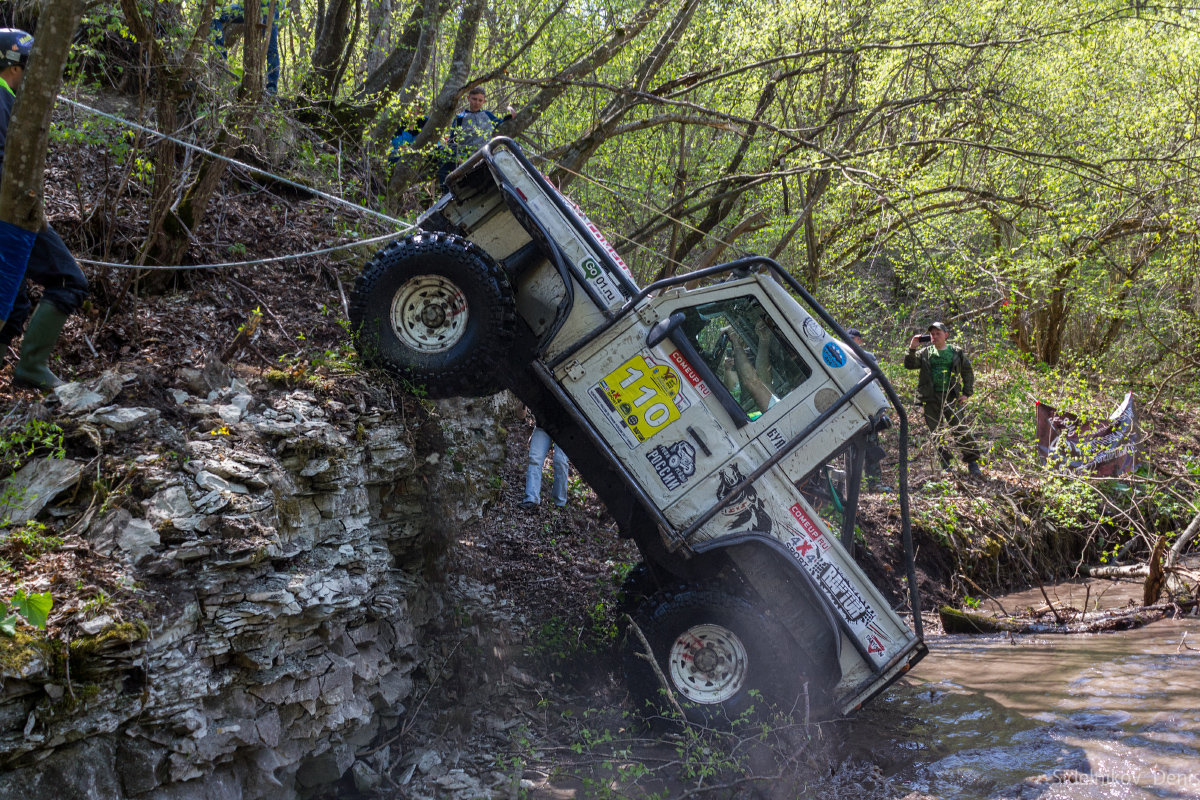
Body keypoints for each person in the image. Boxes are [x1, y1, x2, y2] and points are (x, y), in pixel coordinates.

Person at [0, 28, 90, 390]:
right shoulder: (2, 102)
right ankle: (32, 367)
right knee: (70, 281)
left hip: (15, 215)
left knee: (15, 303)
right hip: (11, 219)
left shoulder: (10, 101)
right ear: (17, 66)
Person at [904, 322, 983, 477]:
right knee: (936, 432)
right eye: (932, 334)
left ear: (946, 335)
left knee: (960, 429)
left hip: (952, 397)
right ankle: (946, 464)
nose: (934, 336)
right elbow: (910, 365)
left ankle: (972, 462)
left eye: (938, 333)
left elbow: (967, 372)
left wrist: (967, 393)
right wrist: (912, 347)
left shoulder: (956, 352)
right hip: (931, 398)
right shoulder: (926, 352)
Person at [437, 86, 514, 187]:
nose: (477, 102)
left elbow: (500, 124)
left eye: (480, 100)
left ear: (484, 101)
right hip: (465, 159)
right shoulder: (460, 118)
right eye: (474, 99)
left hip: (484, 156)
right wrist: (459, 159)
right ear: (468, 98)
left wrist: (510, 115)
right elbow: (452, 141)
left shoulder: (487, 115)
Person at [847, 329, 889, 491]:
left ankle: (875, 483)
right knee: (850, 451)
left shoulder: (868, 357)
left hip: (868, 410)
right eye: (848, 338)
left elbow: (876, 385)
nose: (850, 341)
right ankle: (851, 487)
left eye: (853, 338)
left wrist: (879, 412)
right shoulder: (842, 356)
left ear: (859, 340)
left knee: (871, 447)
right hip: (850, 410)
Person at [212, 1, 281, 96]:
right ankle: (221, 61)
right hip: (248, 5)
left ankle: (272, 88)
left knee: (271, 46)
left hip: (270, 5)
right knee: (216, 15)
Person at [520, 426, 569, 510]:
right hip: (543, 424)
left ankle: (560, 503)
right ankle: (531, 499)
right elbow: (521, 415)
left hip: (565, 426)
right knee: (535, 459)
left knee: (561, 461)